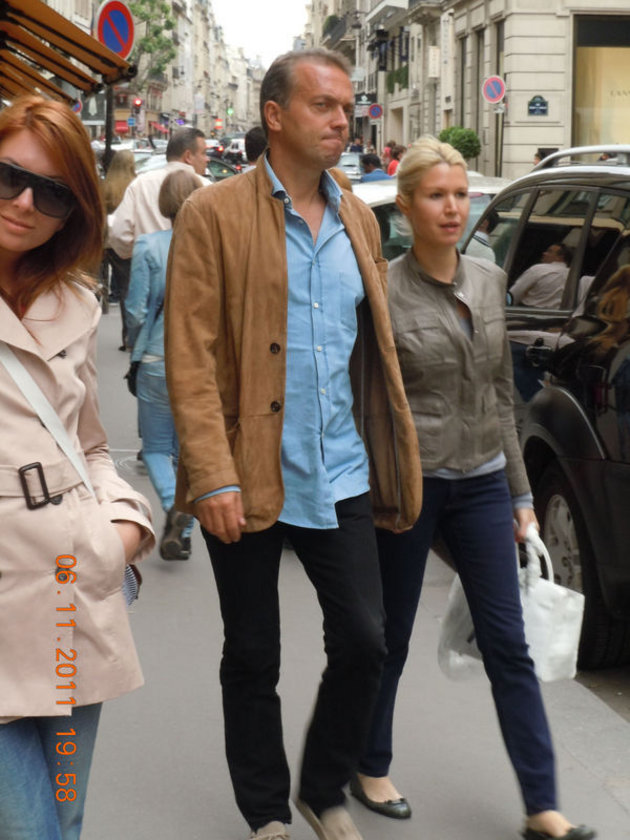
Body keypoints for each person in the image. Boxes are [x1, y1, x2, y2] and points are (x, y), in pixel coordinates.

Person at [164, 47, 422, 840]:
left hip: (339, 469)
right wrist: (211, 475)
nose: (343, 120)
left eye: (347, 106)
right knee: (253, 653)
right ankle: (267, 811)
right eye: (323, 105)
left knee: (367, 641)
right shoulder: (213, 214)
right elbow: (190, 356)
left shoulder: (359, 220)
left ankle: (320, 785)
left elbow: (369, 353)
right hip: (246, 470)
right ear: (275, 116)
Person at [350, 136, 596, 840]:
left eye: (460, 195)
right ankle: (368, 764)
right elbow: (366, 400)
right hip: (412, 485)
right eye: (436, 195)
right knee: (390, 637)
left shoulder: (488, 279)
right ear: (406, 208)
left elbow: (497, 396)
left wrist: (521, 497)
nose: (452, 207)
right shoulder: (382, 291)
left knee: (509, 643)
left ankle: (542, 807)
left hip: (485, 481)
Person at [0, 96, 154, 840]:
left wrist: (120, 529)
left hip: (70, 599)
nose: (25, 204)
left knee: (66, 814)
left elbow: (89, 446)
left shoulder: (75, 304)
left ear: (74, 214)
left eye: (53, 193)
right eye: (9, 178)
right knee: (31, 828)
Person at [126, 170, 201, 561]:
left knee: (156, 448)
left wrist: (135, 341)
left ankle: (174, 507)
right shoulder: (213, 248)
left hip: (157, 356)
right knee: (186, 451)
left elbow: (135, 309)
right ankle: (183, 534)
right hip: (201, 362)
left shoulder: (149, 246)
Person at [108, 127, 206, 262]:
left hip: (150, 267)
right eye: (204, 153)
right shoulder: (208, 188)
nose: (207, 159)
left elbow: (119, 233)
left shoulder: (141, 183)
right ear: (188, 156)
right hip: (193, 268)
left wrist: (141, 252)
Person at [100, 149, 136, 347]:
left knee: (106, 284)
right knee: (127, 289)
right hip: (127, 241)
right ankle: (128, 335)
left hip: (106, 241)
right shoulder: (134, 186)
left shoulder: (106, 186)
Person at [510, 243, 571, 309]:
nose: (544, 253)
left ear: (560, 257)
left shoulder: (538, 269)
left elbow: (515, 293)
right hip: (558, 313)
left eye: (549, 252)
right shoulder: (571, 276)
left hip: (527, 311)